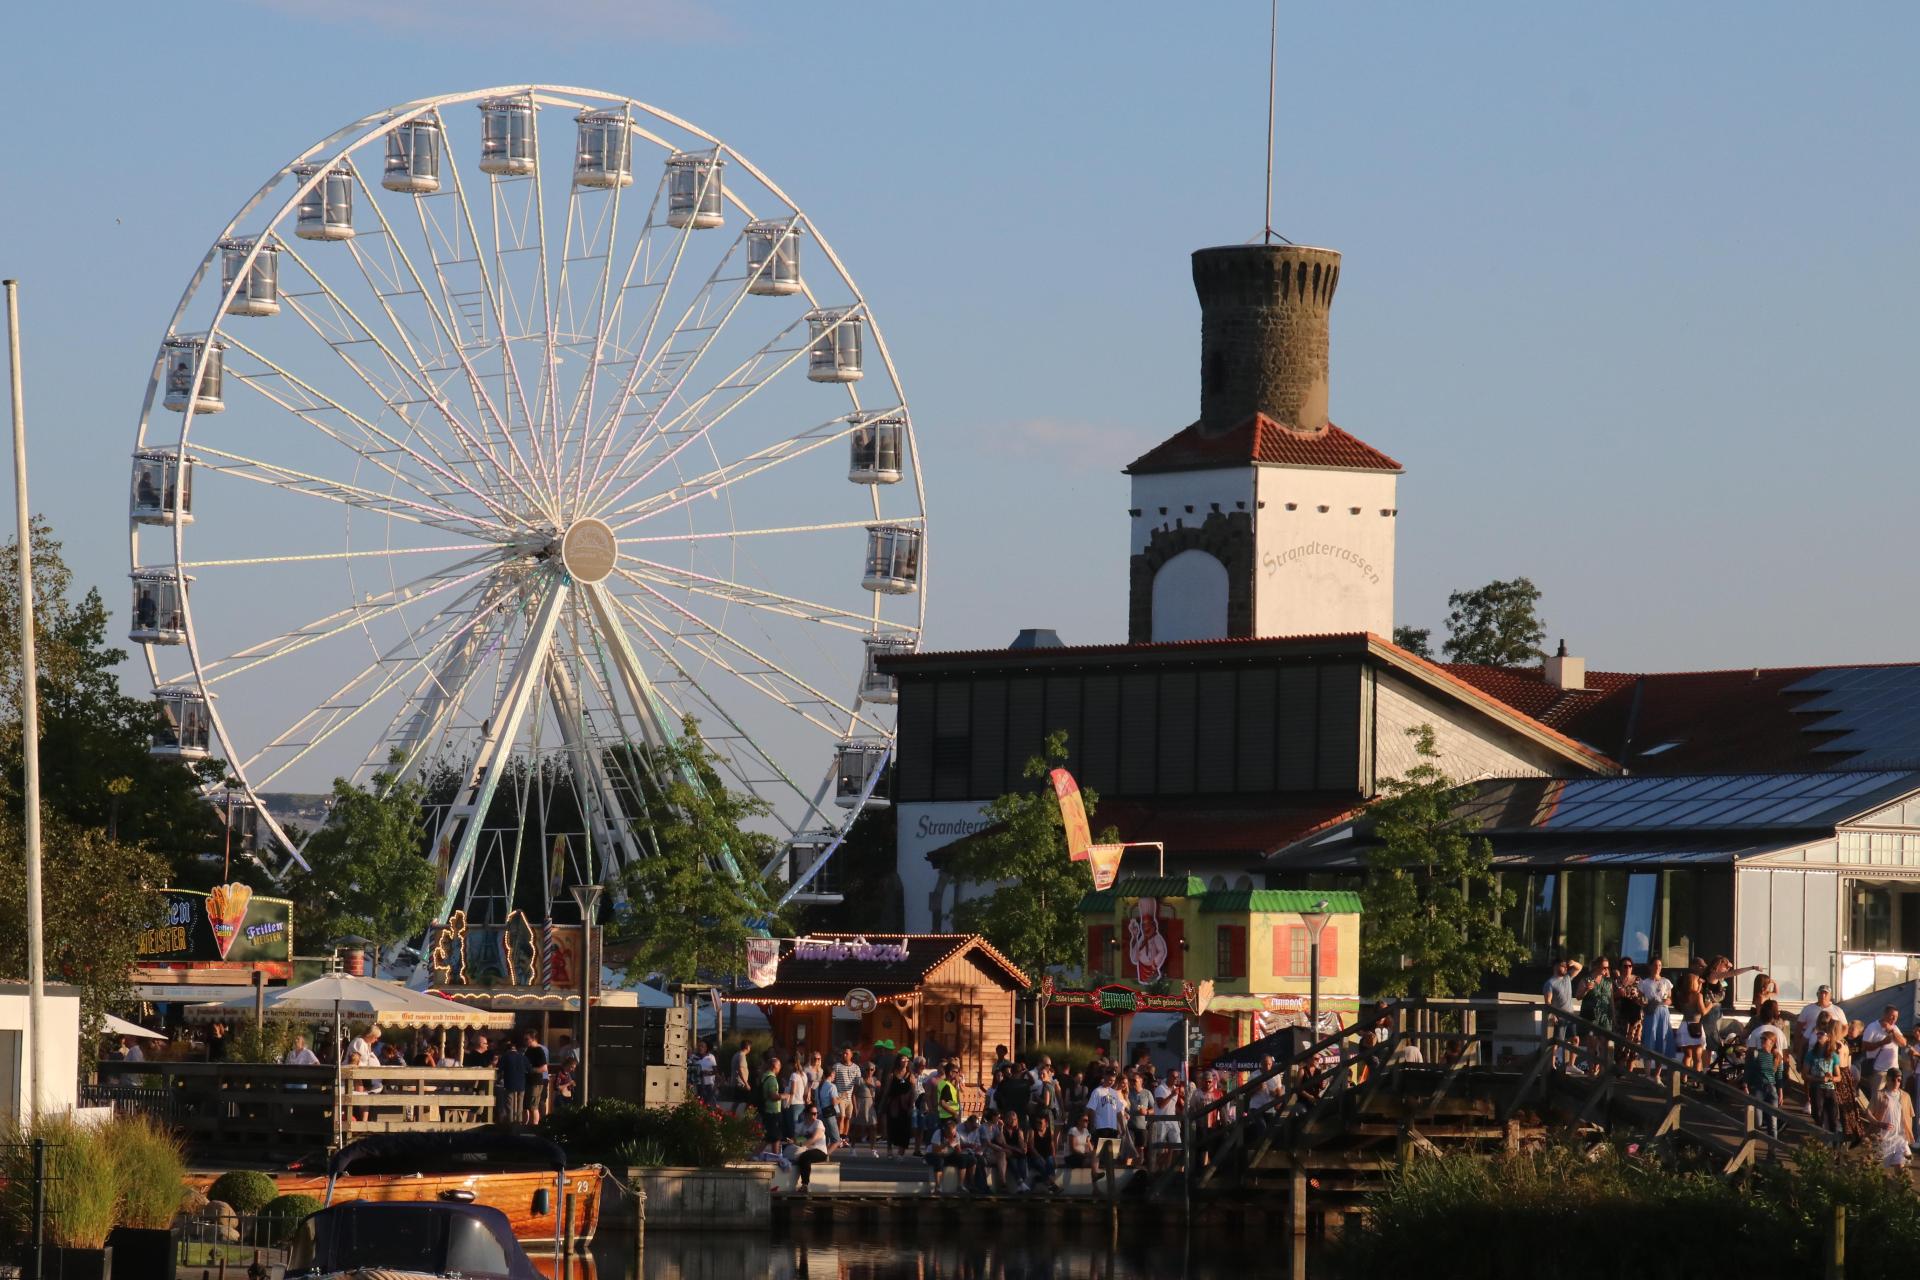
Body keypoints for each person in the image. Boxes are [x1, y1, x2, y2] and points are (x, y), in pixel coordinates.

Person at [1861, 1006, 1908, 1110]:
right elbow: (1864, 1047)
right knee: (1877, 1099)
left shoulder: (1895, 1028)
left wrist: (1892, 1031)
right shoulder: (1872, 1027)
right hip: (1879, 1070)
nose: (1894, 1019)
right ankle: (1874, 1122)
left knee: (1893, 1098)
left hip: (1894, 1069)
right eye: (1892, 1016)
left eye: (1896, 1017)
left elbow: (1904, 1043)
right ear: (1884, 1014)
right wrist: (1882, 1043)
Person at [1576, 957, 1617, 1073]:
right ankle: (1591, 1071)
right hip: (1590, 1015)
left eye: (1607, 967)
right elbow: (1578, 996)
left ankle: (1602, 1071)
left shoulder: (1608, 981)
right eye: (1604, 967)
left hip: (1605, 1016)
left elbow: (1611, 1000)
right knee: (1592, 1044)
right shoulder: (1586, 979)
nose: (1606, 969)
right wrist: (1586, 990)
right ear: (1597, 967)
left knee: (1605, 1044)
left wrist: (1613, 1016)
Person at [1088, 1071, 1127, 1186]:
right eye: (1109, 1080)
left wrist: (1122, 1126)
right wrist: (1092, 1124)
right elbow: (1091, 1109)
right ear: (1104, 1077)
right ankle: (1095, 1172)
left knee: (1112, 1153)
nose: (1111, 1082)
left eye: (1113, 1080)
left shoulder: (1114, 1093)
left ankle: (1110, 1179)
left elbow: (1119, 1112)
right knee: (1097, 1150)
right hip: (1101, 1125)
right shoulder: (1097, 1091)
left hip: (1112, 1126)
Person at [1804, 1018, 1843, 1134]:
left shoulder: (1833, 1055)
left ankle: (1834, 1144)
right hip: (1816, 1088)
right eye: (1818, 1033)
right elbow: (1804, 1074)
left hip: (1830, 1089)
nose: (1819, 1036)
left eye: (1822, 1034)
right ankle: (1820, 1139)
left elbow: (1839, 1077)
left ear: (1828, 1038)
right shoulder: (1811, 1054)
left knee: (1833, 1116)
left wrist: (1831, 1078)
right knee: (1817, 1114)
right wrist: (1818, 1079)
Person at [1637, 959, 1675, 1077]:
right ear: (1650, 966)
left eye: (1659, 965)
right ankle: (1648, 1074)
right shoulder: (1644, 983)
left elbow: (1670, 999)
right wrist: (1644, 1003)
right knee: (1649, 1039)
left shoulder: (1666, 982)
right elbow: (1640, 999)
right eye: (1655, 965)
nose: (1657, 967)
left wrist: (1665, 1001)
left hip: (1663, 1013)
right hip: (1650, 1013)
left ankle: (1657, 1075)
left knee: (1661, 1040)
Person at [1874, 1069, 1914, 1169]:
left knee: (1900, 1168)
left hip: (1900, 1139)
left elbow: (1910, 1116)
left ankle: (1901, 1184)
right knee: (1875, 1170)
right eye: (1893, 1080)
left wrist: (1908, 1133)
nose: (1896, 1082)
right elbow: (1868, 1113)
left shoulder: (1905, 1096)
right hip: (1883, 1138)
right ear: (1887, 1079)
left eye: (1899, 1080)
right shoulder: (1880, 1095)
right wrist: (1879, 1123)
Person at [1745, 1029, 1782, 1137]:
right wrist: (1745, 1085)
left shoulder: (1777, 1057)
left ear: (1772, 1042)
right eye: (1761, 1038)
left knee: (1773, 1126)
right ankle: (1766, 1123)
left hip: (1771, 1089)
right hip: (1758, 1088)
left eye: (1764, 1039)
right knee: (1757, 1122)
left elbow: (1779, 1076)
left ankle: (1772, 1150)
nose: (1761, 1041)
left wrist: (1780, 1092)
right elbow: (1748, 1070)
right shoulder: (1755, 1053)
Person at [924, 1119, 976, 1193]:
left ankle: (961, 1185)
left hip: (947, 1154)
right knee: (939, 1161)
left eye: (954, 1132)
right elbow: (934, 1150)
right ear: (946, 1131)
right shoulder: (938, 1133)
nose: (952, 1134)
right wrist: (945, 1144)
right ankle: (937, 1186)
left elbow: (958, 1151)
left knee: (967, 1159)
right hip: (933, 1154)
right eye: (951, 1132)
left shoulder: (956, 1135)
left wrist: (957, 1148)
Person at [1672, 971, 1709, 1075]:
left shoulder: (1681, 995)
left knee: (1687, 1056)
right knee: (1697, 1057)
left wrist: (1700, 984)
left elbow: (1693, 992)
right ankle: (1696, 1079)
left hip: (1684, 1026)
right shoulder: (1699, 996)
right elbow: (1703, 1012)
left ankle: (1684, 1078)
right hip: (1695, 1027)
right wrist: (1711, 1005)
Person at [1795, 986, 1846, 1057]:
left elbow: (1845, 1027)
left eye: (1826, 993)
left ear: (1830, 996)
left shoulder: (1838, 1010)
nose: (1823, 995)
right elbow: (1799, 1026)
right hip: (1810, 1043)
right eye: (1821, 993)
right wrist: (1797, 1043)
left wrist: (1836, 1038)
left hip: (1830, 1046)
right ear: (1817, 994)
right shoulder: (1808, 1009)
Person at [791, 1103, 831, 1190]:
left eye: (816, 1113)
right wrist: (796, 1141)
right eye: (813, 1113)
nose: (815, 1116)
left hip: (819, 1151)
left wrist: (800, 1143)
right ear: (806, 1114)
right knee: (789, 1155)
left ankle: (805, 1184)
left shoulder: (818, 1123)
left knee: (805, 1157)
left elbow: (814, 1138)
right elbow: (795, 1139)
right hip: (806, 1150)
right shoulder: (801, 1125)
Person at [881, 1058, 916, 1156]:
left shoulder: (911, 1076)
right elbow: (887, 1091)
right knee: (892, 1127)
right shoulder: (892, 1075)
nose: (905, 1061)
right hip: (893, 1105)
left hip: (906, 1105)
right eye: (903, 1059)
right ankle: (889, 1149)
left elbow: (913, 1091)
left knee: (905, 1129)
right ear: (898, 1061)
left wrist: (912, 1105)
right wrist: (883, 1104)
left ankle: (901, 1152)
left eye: (907, 1059)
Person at [757, 1055, 786, 1154]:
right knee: (774, 1136)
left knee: (772, 1136)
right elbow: (773, 1096)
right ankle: (773, 1155)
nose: (780, 1069)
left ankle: (775, 1155)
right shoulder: (772, 1079)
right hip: (773, 1111)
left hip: (767, 1109)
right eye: (779, 1066)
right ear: (775, 1067)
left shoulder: (764, 1076)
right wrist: (784, 1096)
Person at [497, 1035, 529, 1124]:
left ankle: (510, 1121)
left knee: (510, 1103)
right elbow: (529, 1069)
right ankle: (519, 1121)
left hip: (509, 1082)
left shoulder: (505, 1056)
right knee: (520, 1103)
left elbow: (499, 1069)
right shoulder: (523, 1057)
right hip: (521, 1083)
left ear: (507, 1049)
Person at [1027, 1112, 1060, 1191]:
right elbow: (1031, 1147)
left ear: (1046, 1123)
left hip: (1046, 1155)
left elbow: (1052, 1145)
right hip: (1034, 1156)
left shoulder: (1050, 1132)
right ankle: (1051, 1184)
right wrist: (1040, 1157)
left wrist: (1054, 1158)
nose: (1038, 1124)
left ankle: (1041, 1179)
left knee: (1050, 1161)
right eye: (1036, 1122)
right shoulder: (1032, 1131)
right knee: (1040, 1163)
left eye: (1040, 1122)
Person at [523, 1032, 549, 1125]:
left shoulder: (539, 1050)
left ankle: (535, 1126)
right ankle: (527, 1126)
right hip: (527, 1081)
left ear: (533, 1039)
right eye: (524, 1039)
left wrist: (531, 1070)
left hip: (536, 1082)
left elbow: (544, 1068)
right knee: (527, 1106)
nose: (525, 1042)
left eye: (527, 1039)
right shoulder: (528, 1050)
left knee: (533, 1106)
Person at [852, 1062, 878, 1147]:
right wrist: (855, 1107)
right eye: (867, 1069)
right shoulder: (859, 1080)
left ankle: (873, 1147)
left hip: (870, 1104)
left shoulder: (874, 1079)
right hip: (861, 1103)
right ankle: (853, 1146)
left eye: (871, 1069)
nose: (869, 1071)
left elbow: (880, 1085)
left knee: (873, 1125)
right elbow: (854, 1094)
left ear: (874, 1070)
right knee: (857, 1127)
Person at [691, 1039, 719, 1106]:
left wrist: (708, 1073)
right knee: (699, 1103)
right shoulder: (694, 1057)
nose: (700, 1048)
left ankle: (712, 1114)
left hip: (709, 1084)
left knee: (710, 1103)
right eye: (699, 1046)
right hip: (698, 1084)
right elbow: (691, 1070)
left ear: (706, 1048)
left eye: (702, 1046)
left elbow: (715, 1071)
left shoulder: (711, 1057)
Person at [729, 1040, 754, 1116]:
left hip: (737, 1082)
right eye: (750, 1047)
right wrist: (746, 1084)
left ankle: (731, 1115)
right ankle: (746, 1116)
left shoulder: (737, 1054)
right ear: (747, 1047)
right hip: (741, 1083)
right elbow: (740, 1069)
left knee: (737, 1101)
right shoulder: (741, 1056)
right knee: (750, 1100)